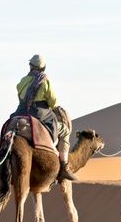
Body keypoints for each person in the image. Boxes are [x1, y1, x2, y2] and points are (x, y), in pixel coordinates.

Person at [17, 54, 76, 182]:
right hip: (40, 114)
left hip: (21, 112)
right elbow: (53, 102)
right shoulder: (45, 81)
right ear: (43, 68)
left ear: (30, 66)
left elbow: (19, 95)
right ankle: (64, 166)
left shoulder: (22, 81)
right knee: (64, 130)